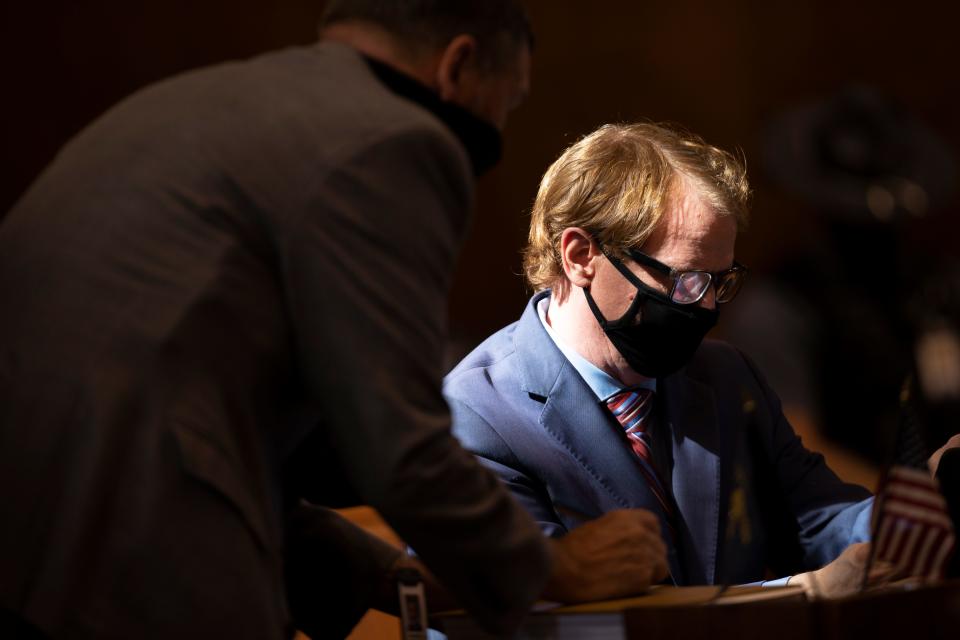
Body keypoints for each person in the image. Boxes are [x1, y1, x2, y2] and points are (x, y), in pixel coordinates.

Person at [0, 3, 668, 639]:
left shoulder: (184, 110)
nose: (501, 124)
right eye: (510, 99)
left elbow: (204, 426)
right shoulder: (391, 142)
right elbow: (396, 445)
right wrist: (555, 567)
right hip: (123, 571)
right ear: (458, 66)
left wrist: (397, 577)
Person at [444, 121, 889, 593]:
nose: (707, 306)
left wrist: (924, 510)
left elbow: (821, 521)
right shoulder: (475, 418)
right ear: (579, 256)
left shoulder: (727, 377)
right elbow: (540, 614)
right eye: (686, 279)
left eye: (720, 281)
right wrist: (799, 596)